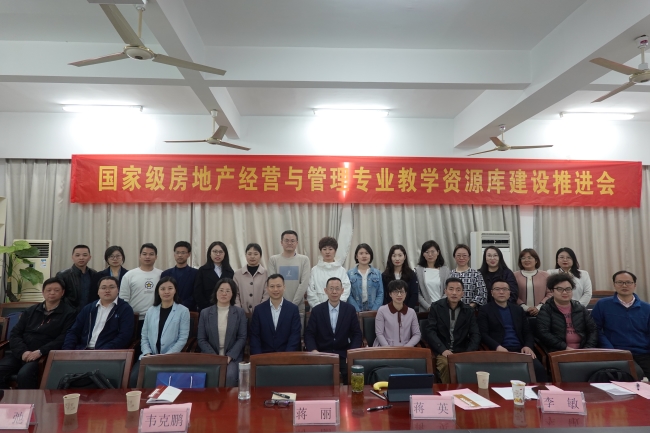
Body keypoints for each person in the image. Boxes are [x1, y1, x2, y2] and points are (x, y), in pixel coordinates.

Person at [0, 278, 76, 389]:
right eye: (48, 290)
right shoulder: (31, 311)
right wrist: (23, 352)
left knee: (24, 375)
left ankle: (28, 400)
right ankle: (8, 399)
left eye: (56, 290)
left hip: (43, 354)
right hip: (22, 352)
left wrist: (40, 351)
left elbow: (63, 338)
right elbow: (15, 333)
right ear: (43, 292)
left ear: (62, 292)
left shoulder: (69, 313)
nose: (52, 293)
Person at [478, 279, 548, 381]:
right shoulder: (485, 310)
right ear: (492, 293)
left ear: (509, 292)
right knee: (506, 374)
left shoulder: (518, 309)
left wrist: (528, 346)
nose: (501, 292)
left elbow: (527, 332)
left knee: (539, 369)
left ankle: (539, 391)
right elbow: (483, 334)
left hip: (521, 349)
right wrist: (497, 347)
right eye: (497, 289)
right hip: (499, 349)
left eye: (504, 289)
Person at [129, 276, 190, 387]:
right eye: (162, 289)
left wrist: (166, 357)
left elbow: (182, 338)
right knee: (133, 378)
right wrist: (147, 353)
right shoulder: (151, 310)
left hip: (171, 357)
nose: (166, 292)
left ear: (175, 290)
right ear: (158, 291)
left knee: (163, 382)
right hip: (150, 355)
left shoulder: (183, 311)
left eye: (170, 288)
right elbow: (144, 336)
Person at [591, 271, 650, 380]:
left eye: (628, 282)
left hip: (643, 353)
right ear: (614, 284)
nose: (624, 285)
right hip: (616, 352)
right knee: (633, 376)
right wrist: (610, 349)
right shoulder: (602, 304)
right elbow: (595, 329)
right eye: (620, 282)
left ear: (634, 285)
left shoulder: (647, 308)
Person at [423, 277, 480, 384]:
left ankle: (464, 391)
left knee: (472, 365)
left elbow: (475, 334)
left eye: (458, 290)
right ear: (445, 291)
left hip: (462, 351)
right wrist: (443, 350)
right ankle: (448, 390)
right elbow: (430, 331)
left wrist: (469, 353)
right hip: (442, 350)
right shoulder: (436, 307)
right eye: (451, 289)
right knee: (446, 364)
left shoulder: (468, 311)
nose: (454, 293)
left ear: (462, 293)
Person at [305, 277, 362, 382]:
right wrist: (314, 351)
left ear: (342, 290)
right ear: (325, 291)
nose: (334, 292)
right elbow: (309, 334)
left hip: (343, 354)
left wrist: (351, 353)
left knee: (352, 375)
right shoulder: (317, 310)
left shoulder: (349, 310)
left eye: (337, 288)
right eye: (331, 288)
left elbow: (357, 334)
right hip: (322, 354)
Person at [197, 278, 247, 387]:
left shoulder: (239, 313)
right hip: (210, 355)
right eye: (221, 290)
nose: (224, 293)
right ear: (216, 292)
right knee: (210, 376)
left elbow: (242, 338)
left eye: (228, 291)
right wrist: (216, 358)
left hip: (232, 357)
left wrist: (229, 356)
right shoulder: (205, 313)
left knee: (230, 376)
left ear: (232, 294)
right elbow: (201, 339)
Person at [63, 276, 135, 350]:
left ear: (118, 290)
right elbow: (74, 331)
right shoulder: (88, 308)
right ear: (98, 291)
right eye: (103, 288)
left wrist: (104, 351)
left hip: (108, 352)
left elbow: (125, 335)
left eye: (111, 287)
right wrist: (67, 350)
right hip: (83, 350)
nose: (107, 290)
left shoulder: (125, 309)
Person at [535, 273, 598, 353]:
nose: (565, 292)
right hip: (559, 351)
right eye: (560, 289)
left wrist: (587, 348)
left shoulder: (580, 308)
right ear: (552, 291)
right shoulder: (546, 309)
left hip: (583, 350)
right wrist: (565, 348)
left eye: (568, 289)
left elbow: (593, 330)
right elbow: (543, 333)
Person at [250, 274, 302, 354]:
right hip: (264, 355)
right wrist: (258, 357)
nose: (275, 289)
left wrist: (287, 356)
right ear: (267, 288)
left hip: (286, 355)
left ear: (284, 287)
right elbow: (254, 336)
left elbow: (295, 335)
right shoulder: (259, 310)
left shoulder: (293, 309)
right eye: (272, 286)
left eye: (278, 286)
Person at [267, 230, 311, 323]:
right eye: (286, 240)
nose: (289, 243)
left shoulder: (304, 260)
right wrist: (283, 305)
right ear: (281, 242)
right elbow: (272, 284)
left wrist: (292, 305)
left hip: (298, 307)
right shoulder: (273, 260)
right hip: (277, 307)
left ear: (297, 243)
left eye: (292, 241)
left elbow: (304, 284)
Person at [119, 243, 163, 321]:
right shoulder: (129, 275)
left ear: (156, 257)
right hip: (134, 318)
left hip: (157, 317)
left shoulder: (161, 274)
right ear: (140, 256)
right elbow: (123, 299)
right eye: (144, 254)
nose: (147, 257)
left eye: (151, 254)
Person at [307, 237, 351, 308]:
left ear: (335, 251)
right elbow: (311, 291)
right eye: (324, 249)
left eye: (330, 249)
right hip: (318, 309)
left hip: (337, 308)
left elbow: (345, 289)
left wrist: (336, 305)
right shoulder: (314, 270)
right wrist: (318, 307)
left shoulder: (341, 270)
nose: (327, 252)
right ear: (321, 251)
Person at [374, 280, 420, 347]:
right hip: (385, 348)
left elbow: (417, 334)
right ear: (390, 294)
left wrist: (408, 346)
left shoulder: (411, 312)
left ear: (406, 294)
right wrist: (388, 348)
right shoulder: (382, 310)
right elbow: (379, 333)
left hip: (406, 347)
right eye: (396, 292)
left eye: (402, 292)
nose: (399, 295)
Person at [194, 242, 235, 311]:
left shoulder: (230, 272)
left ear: (225, 254)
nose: (218, 254)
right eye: (215, 251)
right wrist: (206, 307)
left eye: (220, 252)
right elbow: (197, 292)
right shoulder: (202, 270)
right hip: (206, 309)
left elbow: (233, 292)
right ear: (210, 254)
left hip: (226, 308)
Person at [57, 244, 97, 311]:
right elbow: (59, 296)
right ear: (72, 257)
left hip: (90, 311)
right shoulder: (63, 275)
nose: (81, 258)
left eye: (85, 255)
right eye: (77, 255)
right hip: (70, 313)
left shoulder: (94, 274)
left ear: (89, 257)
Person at [161, 241, 198, 311]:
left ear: (189, 254)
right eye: (177, 252)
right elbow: (162, 292)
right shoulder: (165, 274)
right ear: (174, 254)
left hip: (189, 310)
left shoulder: (196, 273)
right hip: (168, 309)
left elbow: (196, 294)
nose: (180, 255)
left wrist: (180, 306)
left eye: (183, 253)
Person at [347, 243, 383, 312]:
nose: (364, 256)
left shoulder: (377, 273)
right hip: (355, 309)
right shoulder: (349, 274)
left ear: (370, 255)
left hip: (373, 308)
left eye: (367, 253)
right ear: (356, 256)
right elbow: (348, 294)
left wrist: (374, 310)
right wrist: (357, 310)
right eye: (361, 253)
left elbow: (380, 293)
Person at [448, 244, 486, 308]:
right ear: (454, 257)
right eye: (458, 255)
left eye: (464, 255)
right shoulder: (450, 274)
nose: (461, 258)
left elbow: (482, 294)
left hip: (471, 310)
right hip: (451, 310)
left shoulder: (476, 274)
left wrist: (470, 307)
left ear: (469, 257)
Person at [514, 248, 551, 317]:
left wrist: (539, 307)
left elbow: (550, 293)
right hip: (520, 312)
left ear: (536, 260)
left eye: (529, 258)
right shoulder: (514, 275)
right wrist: (525, 307)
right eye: (523, 258)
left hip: (542, 312)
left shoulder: (545, 275)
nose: (526, 260)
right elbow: (513, 294)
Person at [415, 240, 450, 312]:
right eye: (427, 252)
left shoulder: (445, 270)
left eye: (433, 251)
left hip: (443, 309)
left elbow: (448, 290)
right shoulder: (418, 270)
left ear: (438, 252)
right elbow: (417, 293)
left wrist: (439, 306)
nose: (430, 254)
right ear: (423, 254)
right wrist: (428, 307)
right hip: (425, 310)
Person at [234, 243, 268, 314]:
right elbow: (235, 294)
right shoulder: (237, 274)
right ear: (245, 255)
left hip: (261, 313)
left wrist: (260, 310)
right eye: (249, 254)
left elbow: (267, 294)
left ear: (260, 256)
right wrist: (239, 311)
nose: (252, 257)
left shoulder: (266, 274)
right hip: (241, 313)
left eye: (255, 254)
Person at [382, 245, 418, 310]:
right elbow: (383, 295)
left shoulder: (411, 274)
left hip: (407, 310)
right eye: (394, 256)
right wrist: (389, 310)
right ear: (390, 257)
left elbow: (414, 294)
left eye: (400, 255)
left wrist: (407, 310)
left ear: (405, 257)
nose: (397, 259)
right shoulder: (385, 275)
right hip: (389, 311)